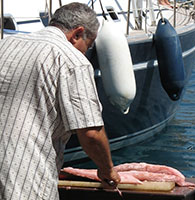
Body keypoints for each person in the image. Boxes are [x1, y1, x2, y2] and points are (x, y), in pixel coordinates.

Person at [0, 2, 120, 200]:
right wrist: (107, 171)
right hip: (24, 181)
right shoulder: (72, 60)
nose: (85, 53)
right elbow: (90, 133)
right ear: (77, 34)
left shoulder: (5, 44)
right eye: (87, 46)